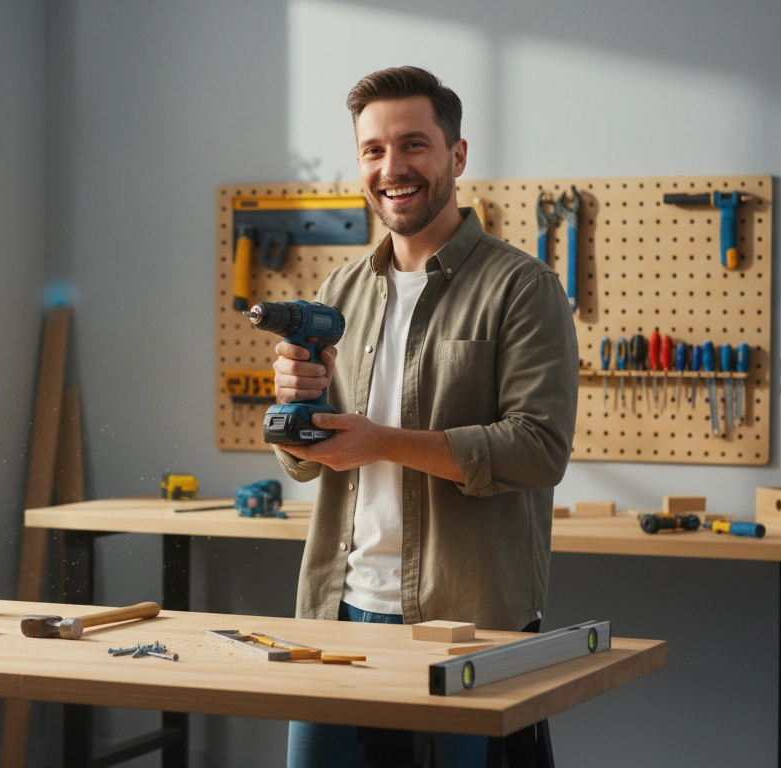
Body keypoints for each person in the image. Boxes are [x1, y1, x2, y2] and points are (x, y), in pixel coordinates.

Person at [275, 67, 579, 767]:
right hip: (341, 611)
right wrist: (295, 404)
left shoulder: (522, 288)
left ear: (457, 156)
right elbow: (304, 460)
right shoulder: (340, 289)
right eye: (373, 150)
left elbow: (538, 450)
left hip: (466, 620)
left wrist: (384, 443)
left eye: (414, 144)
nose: (393, 168)